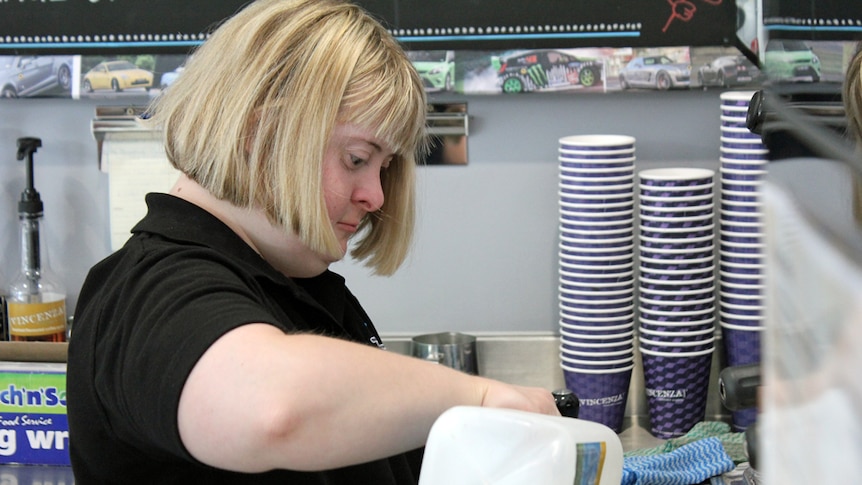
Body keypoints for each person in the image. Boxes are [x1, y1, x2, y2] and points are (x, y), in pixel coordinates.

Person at [65, 0, 560, 483]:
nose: (375, 196)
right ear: (261, 135)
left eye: (383, 167)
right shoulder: (151, 289)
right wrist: (479, 398)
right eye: (356, 159)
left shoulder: (287, 286)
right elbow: (271, 406)